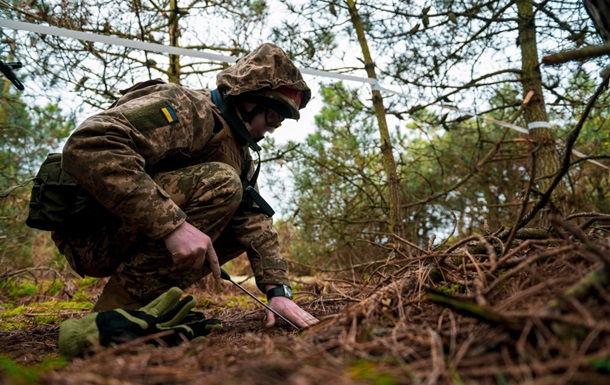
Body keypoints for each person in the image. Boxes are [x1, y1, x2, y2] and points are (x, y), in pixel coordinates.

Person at [51, 43, 320, 329]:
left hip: (130, 230)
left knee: (236, 210)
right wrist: (173, 225)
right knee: (223, 184)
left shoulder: (239, 153)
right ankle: (115, 311)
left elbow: (253, 220)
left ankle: (147, 305)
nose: (273, 128)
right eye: (274, 117)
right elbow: (89, 144)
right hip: (92, 232)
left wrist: (278, 291)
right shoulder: (188, 108)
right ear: (249, 98)